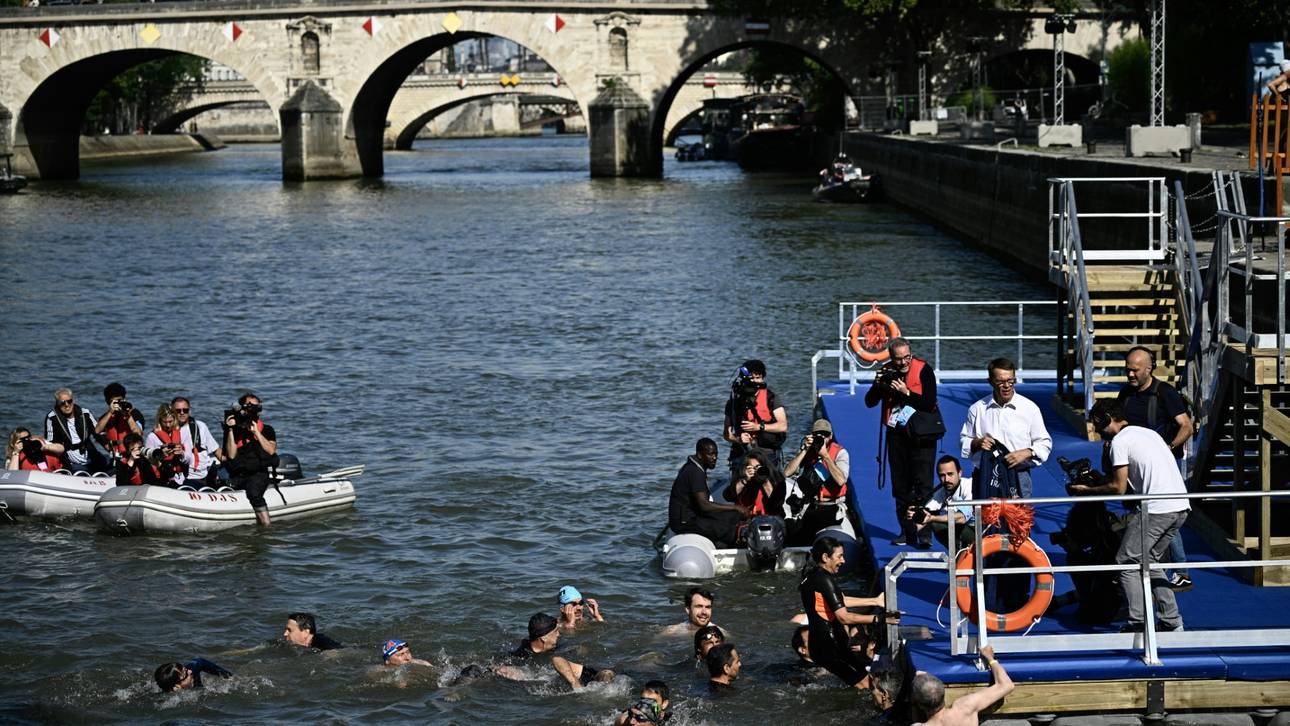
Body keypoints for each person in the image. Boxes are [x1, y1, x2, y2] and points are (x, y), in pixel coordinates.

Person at [1071, 399, 1189, 633]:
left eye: (1097, 424)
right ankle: (1172, 620)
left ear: (1107, 419)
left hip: (1157, 508)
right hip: (1181, 507)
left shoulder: (1120, 442)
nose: (1096, 431)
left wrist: (1088, 491)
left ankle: (1138, 622)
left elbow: (1118, 488)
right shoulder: (1148, 434)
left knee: (1126, 561)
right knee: (1151, 561)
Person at [1117, 346, 1194, 590]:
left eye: (1135, 370)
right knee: (1144, 513)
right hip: (1136, 465)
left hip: (1163, 465)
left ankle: (1181, 570)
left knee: (1164, 511)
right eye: (1127, 369)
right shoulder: (1125, 394)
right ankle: (1151, 561)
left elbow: (1186, 426)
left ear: (1149, 368)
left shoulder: (1165, 393)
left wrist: (1167, 448)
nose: (1130, 375)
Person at [865, 338, 940, 545]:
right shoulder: (887, 371)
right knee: (900, 486)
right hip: (896, 435)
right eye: (898, 359)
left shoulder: (924, 370)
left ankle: (924, 533)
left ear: (911, 353)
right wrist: (878, 384)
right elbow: (869, 402)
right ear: (891, 357)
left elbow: (928, 402)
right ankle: (906, 531)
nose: (903, 363)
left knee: (923, 484)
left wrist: (906, 393)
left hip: (921, 434)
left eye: (907, 357)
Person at [798, 535, 896, 689]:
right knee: (866, 685)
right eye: (840, 556)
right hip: (829, 646)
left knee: (869, 680)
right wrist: (879, 619)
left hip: (829, 644)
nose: (843, 561)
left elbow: (840, 601)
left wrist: (875, 601)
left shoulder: (816, 576)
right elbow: (843, 617)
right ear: (825, 557)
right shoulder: (823, 580)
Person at [959, 357, 1051, 499]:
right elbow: (963, 441)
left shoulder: (1029, 408)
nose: (1007, 386)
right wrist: (977, 443)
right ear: (990, 382)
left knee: (1019, 521)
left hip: (1019, 476)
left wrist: (1027, 452)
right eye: (1000, 382)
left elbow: (1045, 443)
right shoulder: (977, 409)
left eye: (1010, 381)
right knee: (984, 521)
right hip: (985, 476)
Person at [668, 438, 747, 548]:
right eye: (710, 454)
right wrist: (735, 507)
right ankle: (737, 542)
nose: (714, 458)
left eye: (716, 454)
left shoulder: (691, 467)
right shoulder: (695, 472)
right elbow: (704, 505)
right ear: (700, 455)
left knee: (732, 516)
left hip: (690, 515)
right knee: (729, 521)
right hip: (685, 522)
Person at [503, 612, 613, 690]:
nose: (559, 634)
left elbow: (579, 649)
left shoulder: (560, 645)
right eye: (556, 632)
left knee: (607, 674)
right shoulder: (521, 655)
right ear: (543, 638)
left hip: (588, 676)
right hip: (566, 682)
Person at [782, 418, 850, 544]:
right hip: (812, 504)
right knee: (795, 535)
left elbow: (841, 480)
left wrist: (826, 456)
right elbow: (787, 473)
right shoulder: (809, 451)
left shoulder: (841, 453)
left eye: (825, 435)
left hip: (832, 505)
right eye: (818, 435)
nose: (821, 438)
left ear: (830, 436)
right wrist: (804, 450)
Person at [911, 645, 1013, 725]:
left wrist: (918, 681)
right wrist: (990, 658)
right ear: (943, 691)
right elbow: (1006, 685)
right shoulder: (965, 708)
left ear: (917, 703)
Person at [723, 360, 788, 471]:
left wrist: (759, 427)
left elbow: (783, 426)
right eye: (752, 378)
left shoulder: (771, 398)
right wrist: (738, 439)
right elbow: (726, 434)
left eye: (758, 378)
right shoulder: (734, 401)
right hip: (741, 453)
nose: (755, 382)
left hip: (766, 453)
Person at [223, 392, 278, 527]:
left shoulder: (267, 429)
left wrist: (256, 433)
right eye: (249, 407)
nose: (253, 411)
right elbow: (230, 455)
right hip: (239, 473)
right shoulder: (234, 430)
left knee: (254, 492)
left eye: (256, 408)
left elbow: (271, 450)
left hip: (259, 473)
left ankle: (267, 526)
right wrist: (229, 430)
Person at [909, 456, 975, 551]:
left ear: (959, 473)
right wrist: (914, 517)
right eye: (942, 475)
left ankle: (961, 556)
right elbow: (926, 513)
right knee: (935, 522)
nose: (946, 479)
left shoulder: (969, 486)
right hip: (967, 529)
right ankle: (959, 556)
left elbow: (961, 518)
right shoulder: (941, 492)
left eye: (950, 474)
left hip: (983, 533)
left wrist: (932, 518)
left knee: (936, 522)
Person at [44, 388, 104, 473]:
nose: (67, 405)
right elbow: (50, 442)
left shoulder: (85, 413)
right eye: (62, 403)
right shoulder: (52, 418)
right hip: (69, 460)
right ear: (57, 404)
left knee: (105, 464)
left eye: (69, 401)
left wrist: (109, 446)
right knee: (80, 472)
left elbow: (98, 432)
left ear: (73, 400)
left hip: (90, 455)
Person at [172, 396, 224, 487]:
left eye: (185, 410)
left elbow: (216, 451)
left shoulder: (200, 426)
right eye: (178, 410)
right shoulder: (169, 430)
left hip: (204, 474)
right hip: (185, 476)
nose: (182, 413)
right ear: (172, 412)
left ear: (190, 411)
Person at [723, 447, 786, 518]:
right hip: (747, 519)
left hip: (771, 519)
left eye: (758, 467)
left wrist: (765, 481)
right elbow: (728, 496)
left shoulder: (776, 479)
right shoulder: (743, 479)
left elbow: (776, 504)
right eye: (751, 468)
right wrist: (745, 481)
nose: (755, 471)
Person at [95, 382, 144, 462]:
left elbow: (138, 433)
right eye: (114, 402)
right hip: (115, 457)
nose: (117, 404)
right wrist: (110, 412)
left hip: (132, 456)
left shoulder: (134, 414)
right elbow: (97, 431)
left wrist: (127, 416)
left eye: (120, 401)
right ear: (108, 402)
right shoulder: (105, 417)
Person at [145, 404, 192, 487]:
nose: (168, 425)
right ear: (159, 420)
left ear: (175, 419)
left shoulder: (183, 433)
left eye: (170, 421)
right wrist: (160, 454)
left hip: (180, 478)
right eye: (165, 422)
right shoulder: (152, 437)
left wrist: (182, 453)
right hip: (161, 478)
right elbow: (148, 459)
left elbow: (189, 459)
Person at [153, 657, 233, 692]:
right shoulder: (170, 701)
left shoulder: (191, 671)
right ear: (177, 686)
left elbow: (199, 662)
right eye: (185, 673)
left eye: (185, 668)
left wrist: (229, 677)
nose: (190, 672)